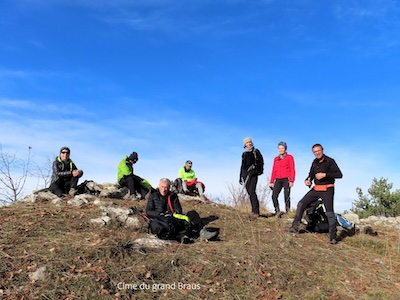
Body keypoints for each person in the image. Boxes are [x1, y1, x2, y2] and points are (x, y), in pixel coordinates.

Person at [287, 144, 343, 244]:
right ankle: (294, 228)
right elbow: (310, 175)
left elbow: (339, 174)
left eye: (318, 151)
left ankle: (333, 237)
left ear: (322, 150)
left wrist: (325, 175)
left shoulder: (330, 161)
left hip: (327, 189)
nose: (317, 153)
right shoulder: (314, 162)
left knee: (329, 212)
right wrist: (307, 181)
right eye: (315, 152)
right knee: (301, 204)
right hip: (316, 189)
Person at [146, 178, 218, 243]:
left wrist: (172, 213)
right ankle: (182, 236)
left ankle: (202, 232)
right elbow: (148, 211)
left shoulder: (173, 196)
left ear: (169, 188)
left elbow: (178, 210)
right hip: (161, 220)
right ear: (159, 186)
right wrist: (159, 214)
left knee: (193, 214)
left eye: (166, 187)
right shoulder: (153, 196)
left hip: (173, 217)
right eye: (162, 187)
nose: (164, 189)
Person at [240, 137, 264, 219]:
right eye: (247, 143)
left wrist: (256, 171)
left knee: (252, 191)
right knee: (249, 193)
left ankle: (256, 211)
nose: (249, 144)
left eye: (250, 142)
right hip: (245, 175)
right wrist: (240, 177)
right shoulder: (244, 154)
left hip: (253, 175)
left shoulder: (256, 151)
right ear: (245, 144)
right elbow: (242, 166)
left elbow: (260, 162)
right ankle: (253, 210)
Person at [269, 141, 296, 216]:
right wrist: (271, 181)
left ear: (285, 149)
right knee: (274, 196)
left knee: (286, 196)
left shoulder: (289, 157)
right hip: (278, 179)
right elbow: (274, 170)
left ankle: (288, 212)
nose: (281, 150)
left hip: (286, 179)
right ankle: (277, 211)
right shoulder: (276, 159)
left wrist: (291, 180)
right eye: (279, 148)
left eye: (282, 148)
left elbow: (292, 169)